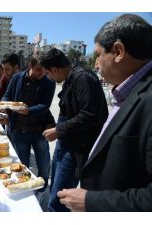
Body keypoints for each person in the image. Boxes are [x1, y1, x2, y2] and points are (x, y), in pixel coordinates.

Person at [57, 14, 152, 212]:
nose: (96, 65)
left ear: (118, 51)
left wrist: (91, 202)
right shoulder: (127, 92)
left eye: (98, 55)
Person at [40, 48, 108, 211]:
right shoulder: (72, 78)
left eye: (49, 74)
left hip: (75, 148)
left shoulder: (82, 77)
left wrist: (58, 130)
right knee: (55, 192)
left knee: (59, 200)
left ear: (55, 70)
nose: (49, 78)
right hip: (65, 145)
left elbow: (90, 114)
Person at [1, 54, 56, 191]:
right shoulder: (17, 77)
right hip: (19, 131)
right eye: (38, 70)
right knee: (21, 166)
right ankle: (25, 192)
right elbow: (7, 95)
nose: (42, 74)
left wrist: (28, 111)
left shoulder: (49, 82)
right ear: (30, 66)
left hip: (39, 131)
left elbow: (45, 105)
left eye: (44, 71)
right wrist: (5, 107)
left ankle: (42, 191)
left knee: (44, 166)